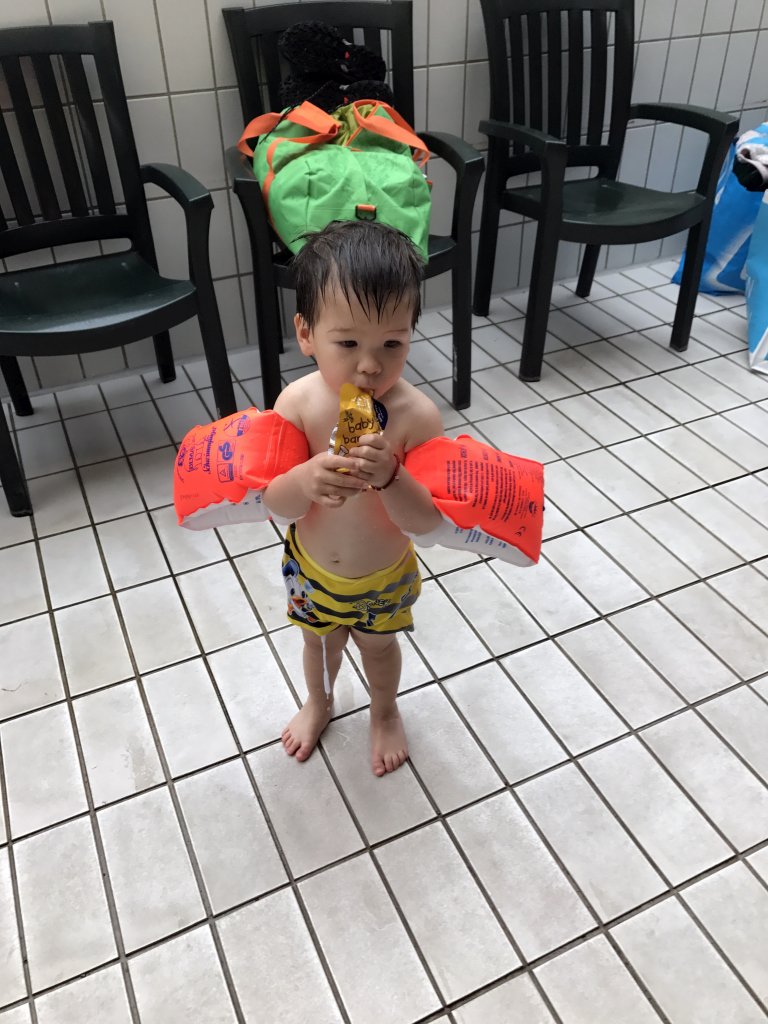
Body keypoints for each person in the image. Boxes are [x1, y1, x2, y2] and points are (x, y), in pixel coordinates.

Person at [262, 220, 444, 776]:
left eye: (393, 344)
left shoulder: (416, 417)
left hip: (382, 575)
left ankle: (385, 711)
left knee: (379, 649)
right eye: (348, 343)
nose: (370, 365)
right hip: (315, 569)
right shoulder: (296, 404)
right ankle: (319, 701)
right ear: (306, 333)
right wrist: (305, 480)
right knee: (319, 647)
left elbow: (428, 521)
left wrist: (392, 476)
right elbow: (277, 503)